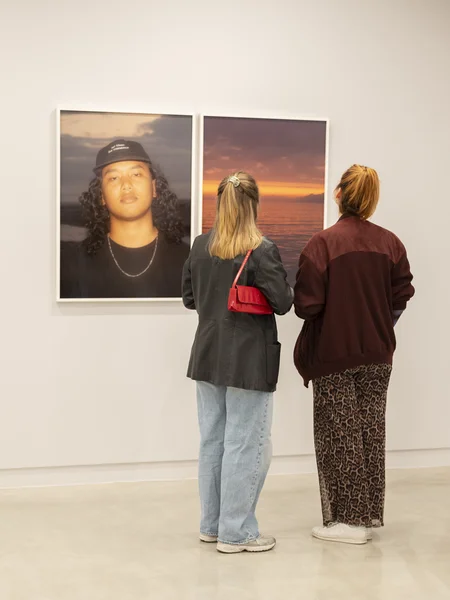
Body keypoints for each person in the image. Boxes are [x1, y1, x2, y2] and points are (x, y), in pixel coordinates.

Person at [294, 165, 415, 545]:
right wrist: (377, 322)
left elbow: (306, 306)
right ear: (372, 199)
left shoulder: (322, 244)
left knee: (339, 435)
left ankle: (348, 523)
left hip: (335, 353)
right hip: (379, 354)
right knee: (370, 433)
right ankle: (367, 517)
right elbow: (402, 296)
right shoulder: (391, 244)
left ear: (338, 194)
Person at [182, 171, 293, 554]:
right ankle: (237, 533)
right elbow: (283, 302)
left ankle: (212, 526)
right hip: (248, 362)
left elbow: (189, 299)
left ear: (221, 202)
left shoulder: (200, 245)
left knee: (213, 441)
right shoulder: (262, 250)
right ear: (254, 204)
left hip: (207, 356)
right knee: (246, 445)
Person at [60, 139, 189, 298]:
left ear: (154, 188)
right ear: (102, 196)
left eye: (136, 174)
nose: (126, 185)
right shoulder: (71, 265)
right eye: (114, 178)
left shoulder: (189, 261)